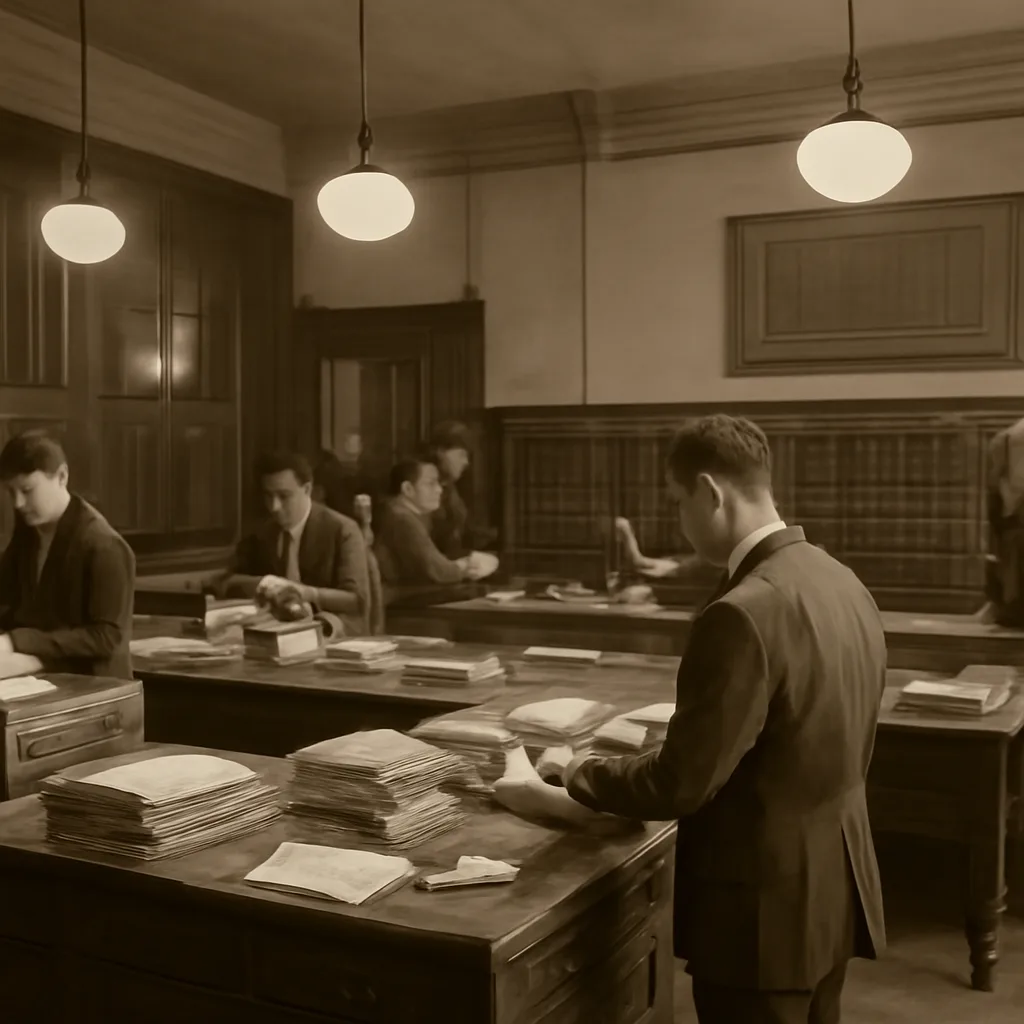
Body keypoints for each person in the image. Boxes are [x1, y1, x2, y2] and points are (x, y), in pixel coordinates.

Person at [495, 414, 887, 1024]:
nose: (680, 519)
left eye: (679, 502)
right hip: (833, 888)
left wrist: (575, 771)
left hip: (762, 912)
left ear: (711, 492)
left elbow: (679, 783)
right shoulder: (843, 580)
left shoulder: (742, 611)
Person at [0, 430, 135, 679]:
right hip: (44, 676)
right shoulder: (28, 535)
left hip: (97, 688)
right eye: (11, 491)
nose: (18, 503)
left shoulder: (103, 545)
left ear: (62, 476)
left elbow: (106, 638)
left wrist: (17, 642)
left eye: (27, 490)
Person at [221, 451, 374, 636]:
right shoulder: (261, 531)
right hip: (273, 635)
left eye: (284, 496)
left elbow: (356, 600)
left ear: (307, 489)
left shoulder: (342, 529)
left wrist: (305, 593)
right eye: (268, 496)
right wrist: (266, 584)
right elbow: (226, 582)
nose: (274, 506)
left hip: (330, 635)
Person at [374, 456, 493, 586]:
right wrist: (467, 566)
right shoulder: (402, 520)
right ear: (408, 489)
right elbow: (439, 572)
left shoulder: (399, 513)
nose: (439, 490)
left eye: (438, 483)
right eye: (430, 483)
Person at [421, 420, 495, 559]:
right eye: (461, 454)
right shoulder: (421, 489)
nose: (466, 462)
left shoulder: (449, 487)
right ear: (441, 451)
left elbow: (462, 530)